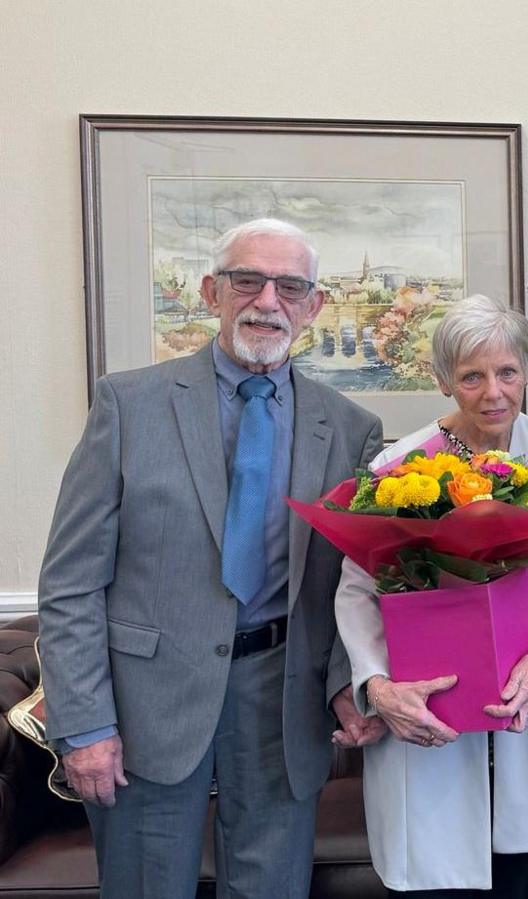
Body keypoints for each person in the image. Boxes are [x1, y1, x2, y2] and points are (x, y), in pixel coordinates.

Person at [36, 218, 387, 897]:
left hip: (281, 703)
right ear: (210, 291)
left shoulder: (350, 429)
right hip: (146, 710)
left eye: (290, 286)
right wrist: (83, 725)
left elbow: (350, 579)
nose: (267, 301)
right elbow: (71, 582)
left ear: (313, 306)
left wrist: (350, 681)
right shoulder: (127, 404)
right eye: (247, 280)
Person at [334, 295, 528, 895]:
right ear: (443, 380)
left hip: (522, 699)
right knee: (440, 873)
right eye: (471, 376)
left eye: (507, 372)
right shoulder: (400, 466)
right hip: (429, 707)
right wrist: (379, 687)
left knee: (515, 873)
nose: (493, 392)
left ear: (526, 370)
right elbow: (356, 591)